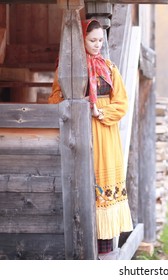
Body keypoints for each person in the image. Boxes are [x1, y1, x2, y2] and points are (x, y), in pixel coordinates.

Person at [48, 19, 133, 255]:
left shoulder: (109, 67)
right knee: (84, 180)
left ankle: (104, 250)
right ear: (81, 40)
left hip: (105, 133)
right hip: (78, 132)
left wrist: (100, 111)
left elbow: (122, 104)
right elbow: (54, 98)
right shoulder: (67, 69)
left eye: (100, 41)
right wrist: (77, 103)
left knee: (103, 184)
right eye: (92, 40)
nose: (97, 45)